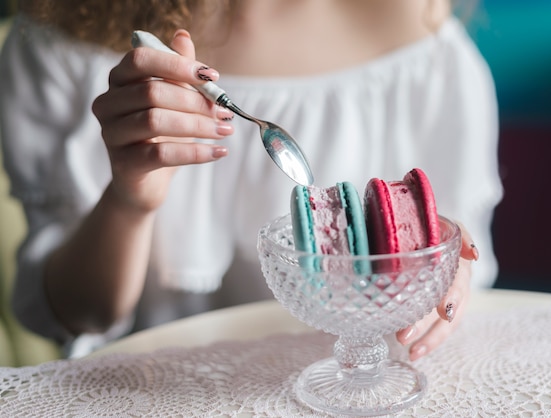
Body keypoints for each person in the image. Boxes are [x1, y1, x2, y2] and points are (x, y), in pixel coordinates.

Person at [0, 0, 502, 358]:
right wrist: (130, 198)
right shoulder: (60, 34)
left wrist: (441, 266)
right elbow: (72, 314)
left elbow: (459, 249)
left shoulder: (419, 31)